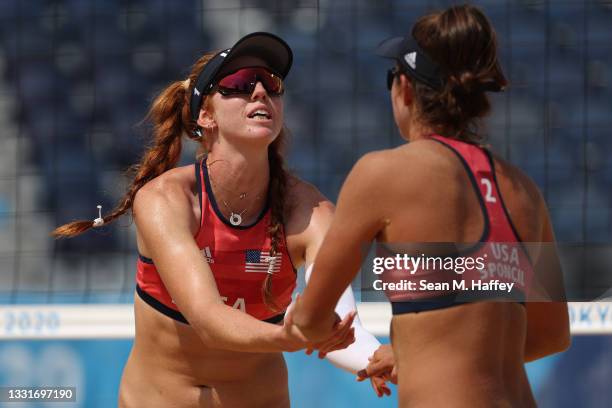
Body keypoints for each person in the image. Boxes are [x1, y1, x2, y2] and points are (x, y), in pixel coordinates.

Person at [53, 32, 380, 407]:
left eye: (271, 84)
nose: (260, 92)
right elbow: (208, 319)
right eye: (240, 84)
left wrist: (376, 362)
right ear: (205, 116)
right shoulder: (166, 199)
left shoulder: (309, 210)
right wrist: (289, 337)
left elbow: (341, 322)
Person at [292, 5, 570, 407]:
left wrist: (295, 317)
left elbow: (313, 318)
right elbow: (552, 335)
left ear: (404, 88)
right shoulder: (524, 191)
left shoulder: (382, 173)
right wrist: (417, 355)